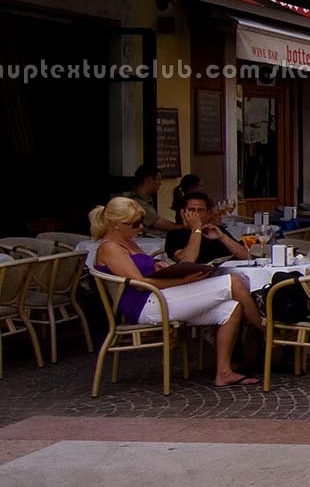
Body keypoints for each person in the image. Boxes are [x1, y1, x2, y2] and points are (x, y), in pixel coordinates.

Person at [92, 196, 263, 387]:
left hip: (157, 297)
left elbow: (141, 270)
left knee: (232, 308)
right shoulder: (110, 248)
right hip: (144, 305)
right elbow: (139, 283)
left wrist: (158, 266)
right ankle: (267, 332)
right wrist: (183, 280)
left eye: (141, 222)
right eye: (134, 224)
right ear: (116, 224)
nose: (140, 227)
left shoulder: (128, 242)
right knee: (233, 282)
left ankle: (224, 372)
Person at [165, 191, 250, 264]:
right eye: (191, 210)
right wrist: (196, 229)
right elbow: (187, 261)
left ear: (207, 213)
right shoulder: (175, 235)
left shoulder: (216, 230)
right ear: (182, 213)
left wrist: (222, 237)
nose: (196, 214)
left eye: (200, 210)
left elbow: (247, 256)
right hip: (202, 275)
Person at [122, 164, 178, 234]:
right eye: (158, 179)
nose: (160, 183)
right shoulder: (136, 202)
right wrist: (183, 227)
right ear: (149, 180)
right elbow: (158, 223)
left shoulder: (146, 199)